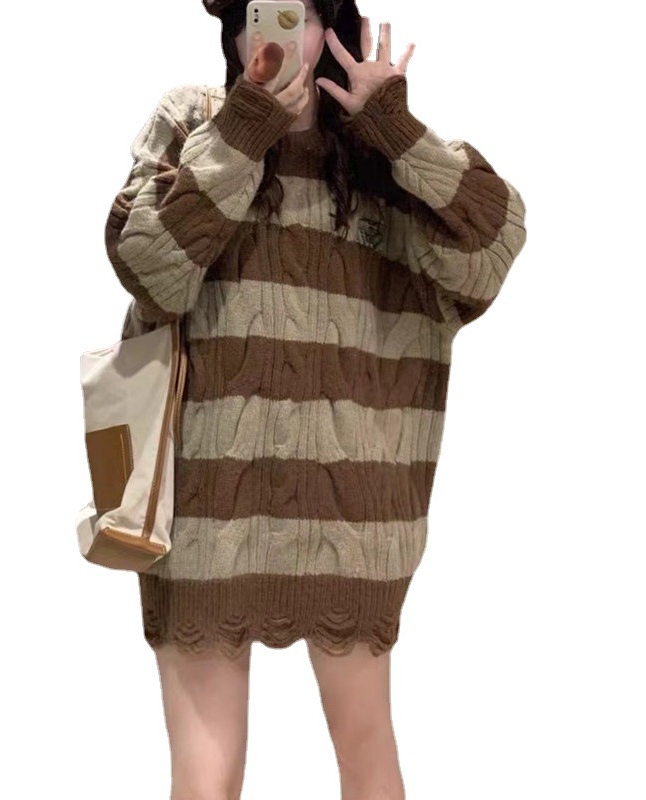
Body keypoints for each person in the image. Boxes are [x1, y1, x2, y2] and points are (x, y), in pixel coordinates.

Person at [104, 1, 527, 797]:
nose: (274, 35)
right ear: (232, 34)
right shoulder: (194, 121)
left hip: (355, 513)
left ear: (334, 30)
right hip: (203, 508)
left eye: (296, 12)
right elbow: (150, 270)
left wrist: (396, 131)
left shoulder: (379, 156)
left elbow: (491, 252)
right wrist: (243, 132)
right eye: (255, 12)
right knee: (204, 775)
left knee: (367, 749)